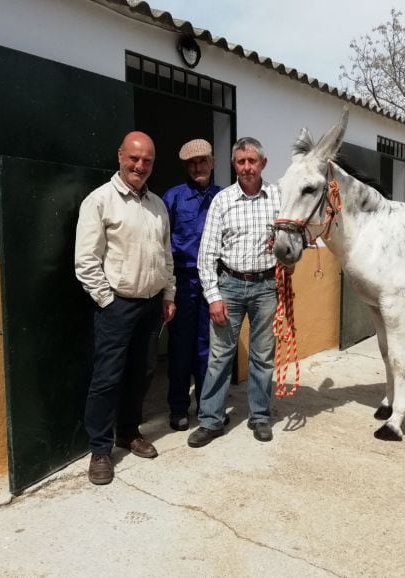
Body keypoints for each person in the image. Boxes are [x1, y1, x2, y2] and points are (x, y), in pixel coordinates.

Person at [74, 131, 176, 485]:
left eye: (147, 160)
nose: (140, 165)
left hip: (151, 307)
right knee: (107, 379)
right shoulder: (100, 201)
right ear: (120, 156)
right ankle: (100, 450)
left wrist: (168, 295)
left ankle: (128, 433)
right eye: (134, 158)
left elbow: (166, 256)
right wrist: (107, 300)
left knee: (143, 373)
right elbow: (86, 260)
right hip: (117, 307)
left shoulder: (158, 205)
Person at [187, 137, 281, 448]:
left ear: (263, 164)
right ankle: (211, 420)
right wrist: (213, 296)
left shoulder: (278, 198)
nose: (246, 167)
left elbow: (297, 237)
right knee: (219, 356)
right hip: (228, 285)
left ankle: (259, 416)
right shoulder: (222, 201)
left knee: (263, 356)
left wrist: (283, 250)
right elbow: (207, 255)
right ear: (233, 165)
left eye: (251, 161)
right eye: (240, 162)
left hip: (266, 286)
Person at [162, 139, 222, 431]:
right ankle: (178, 407)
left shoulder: (224, 198)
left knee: (208, 348)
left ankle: (207, 404)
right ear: (187, 167)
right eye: (192, 163)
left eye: (203, 161)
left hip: (214, 282)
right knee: (180, 348)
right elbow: (161, 244)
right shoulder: (172, 198)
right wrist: (168, 290)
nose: (198, 167)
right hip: (183, 281)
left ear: (213, 162)